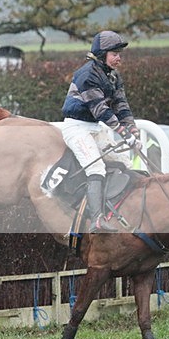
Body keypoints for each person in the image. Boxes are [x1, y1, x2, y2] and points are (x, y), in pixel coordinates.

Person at [61, 30, 143, 233]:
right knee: (96, 168)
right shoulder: (87, 75)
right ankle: (96, 221)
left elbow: (121, 105)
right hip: (77, 128)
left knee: (124, 162)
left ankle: (118, 210)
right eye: (114, 53)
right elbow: (101, 110)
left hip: (94, 128)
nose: (119, 58)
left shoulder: (113, 76)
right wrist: (124, 134)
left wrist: (132, 128)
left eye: (119, 54)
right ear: (102, 54)